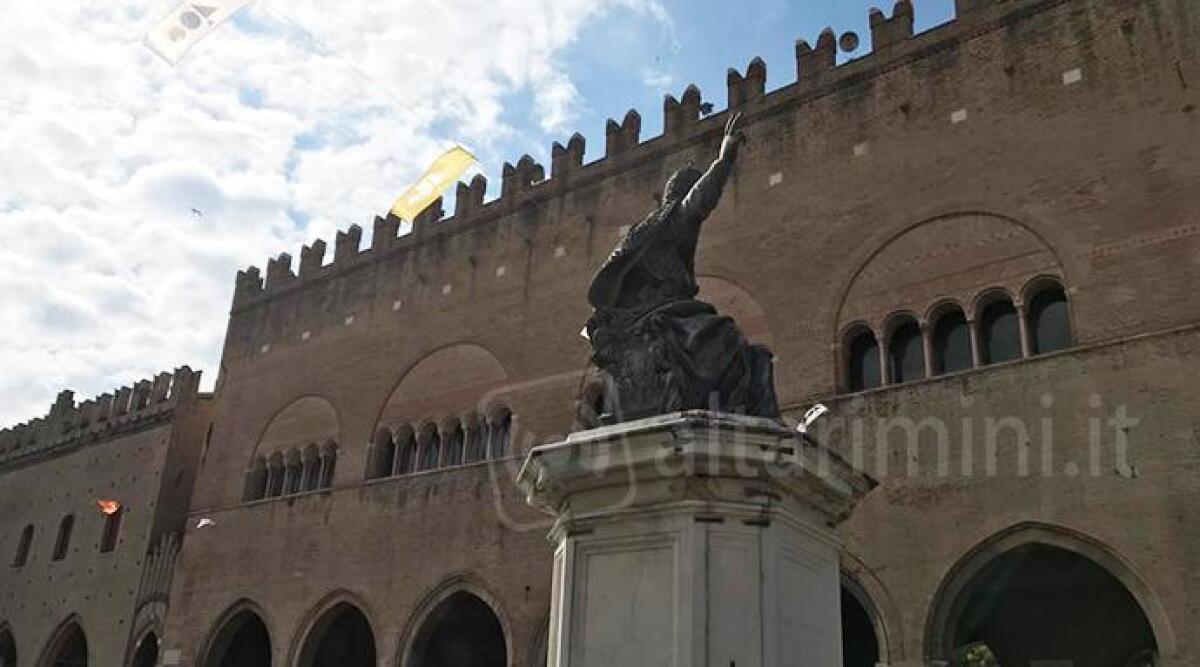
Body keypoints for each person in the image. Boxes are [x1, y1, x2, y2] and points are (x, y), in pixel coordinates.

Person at [586, 112, 779, 421]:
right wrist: (724, 160)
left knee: (747, 352)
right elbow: (699, 202)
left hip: (669, 311)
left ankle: (754, 415)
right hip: (656, 315)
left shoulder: (647, 231)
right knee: (723, 334)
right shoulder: (672, 220)